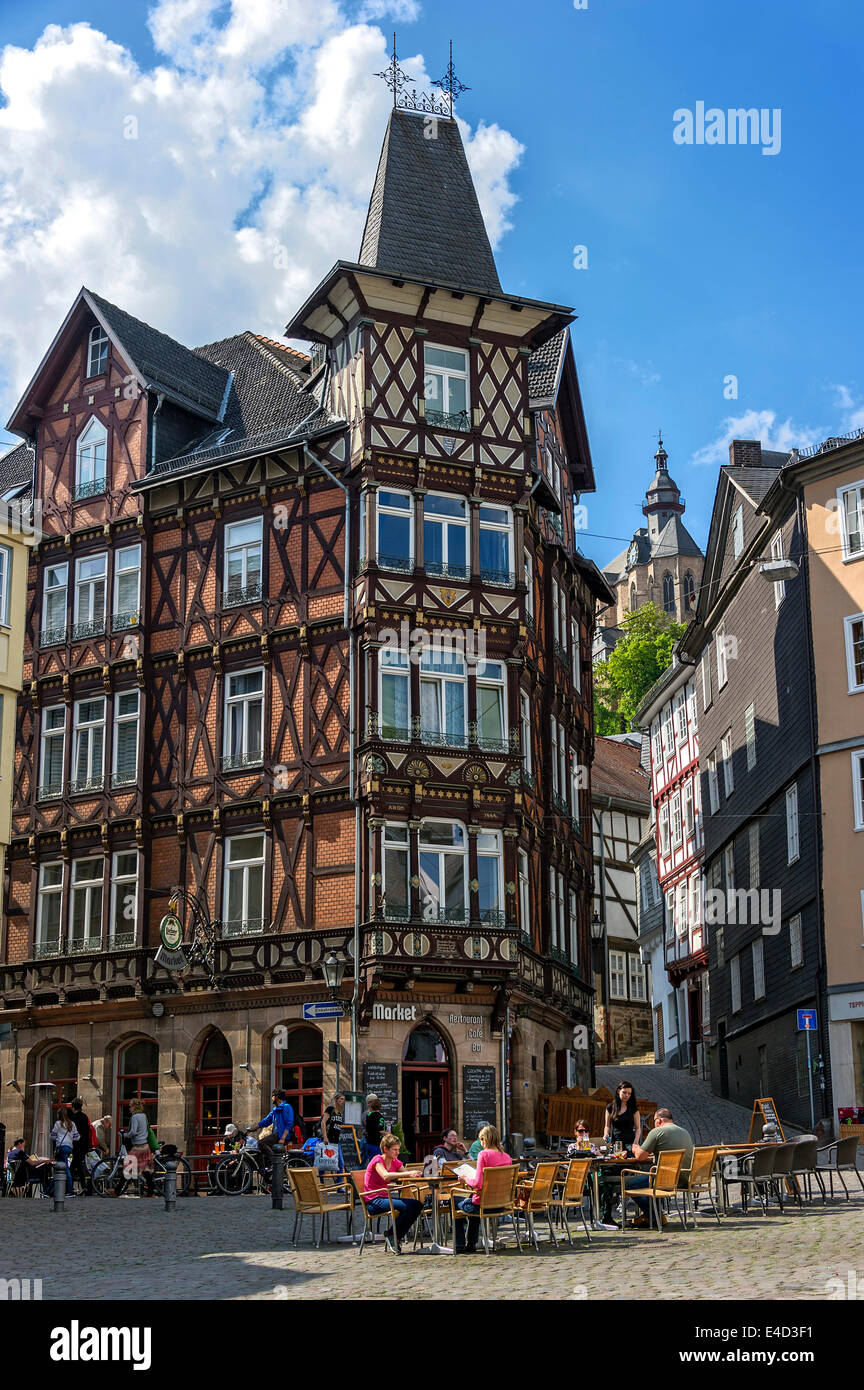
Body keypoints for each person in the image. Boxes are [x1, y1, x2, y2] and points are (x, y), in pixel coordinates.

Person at [627, 1108, 695, 1228]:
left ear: (658, 1120)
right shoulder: (685, 1131)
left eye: (653, 1121)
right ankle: (652, 1216)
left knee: (630, 1184)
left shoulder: (656, 1132)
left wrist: (635, 1148)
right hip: (685, 1179)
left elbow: (640, 1157)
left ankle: (653, 1216)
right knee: (652, 1178)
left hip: (666, 1180)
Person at [453, 1124, 512, 1254]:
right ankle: (471, 1244)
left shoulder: (483, 1155)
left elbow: (478, 1184)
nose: (481, 1143)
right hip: (501, 1205)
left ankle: (460, 1244)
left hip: (483, 1205)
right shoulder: (507, 1157)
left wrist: (464, 1179)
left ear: (485, 1139)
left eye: (481, 1139)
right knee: (472, 1199)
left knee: (455, 1201)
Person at [362, 1133, 422, 1251]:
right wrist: (408, 1173)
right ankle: (393, 1235)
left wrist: (419, 1174)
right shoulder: (377, 1160)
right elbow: (385, 1176)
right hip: (373, 1201)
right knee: (406, 1207)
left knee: (417, 1205)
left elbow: (406, 1175)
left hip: (385, 1197)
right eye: (395, 1150)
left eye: (398, 1149)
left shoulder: (395, 1161)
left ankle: (394, 1235)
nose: (397, 1153)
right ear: (385, 1149)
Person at [252, 1090, 295, 1169]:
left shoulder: (287, 1107)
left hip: (281, 1135)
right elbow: (266, 1121)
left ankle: (276, 1163)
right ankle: (270, 1168)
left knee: (261, 1143)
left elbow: (289, 1123)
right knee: (263, 1149)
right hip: (276, 1135)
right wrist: (253, 1128)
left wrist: (283, 1138)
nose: (272, 1098)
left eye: (272, 1096)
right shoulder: (275, 1110)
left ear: (277, 1096)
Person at [123, 1100, 155, 1197]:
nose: (129, 1108)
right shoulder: (143, 1116)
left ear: (134, 1107)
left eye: (130, 1106)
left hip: (137, 1146)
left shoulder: (135, 1117)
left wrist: (126, 1135)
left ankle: (117, 1190)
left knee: (128, 1168)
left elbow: (133, 1131)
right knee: (146, 1170)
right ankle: (151, 1191)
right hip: (145, 1145)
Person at [603, 1079, 642, 1151]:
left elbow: (638, 1128)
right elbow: (607, 1126)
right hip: (616, 1143)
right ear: (618, 1091)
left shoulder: (633, 1109)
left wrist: (636, 1142)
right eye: (624, 1092)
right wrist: (606, 1134)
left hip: (630, 1143)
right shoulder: (610, 1107)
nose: (626, 1095)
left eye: (629, 1093)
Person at [50, 1110, 79, 1195]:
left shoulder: (58, 1123)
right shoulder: (72, 1124)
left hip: (61, 1147)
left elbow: (52, 1136)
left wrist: (57, 1137)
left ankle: (70, 1190)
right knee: (59, 1170)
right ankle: (49, 1190)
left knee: (65, 1170)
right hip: (69, 1148)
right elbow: (77, 1137)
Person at [69, 1097, 93, 1193]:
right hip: (82, 1145)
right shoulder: (84, 1117)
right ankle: (84, 1186)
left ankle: (69, 1187)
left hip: (74, 1144)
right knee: (78, 1166)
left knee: (74, 1167)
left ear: (73, 1106)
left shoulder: (71, 1117)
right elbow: (87, 1133)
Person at [363, 1094, 385, 1162]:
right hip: (376, 1143)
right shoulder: (379, 1116)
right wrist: (388, 1134)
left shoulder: (368, 1115)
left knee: (368, 1161)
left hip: (368, 1142)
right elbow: (380, 1130)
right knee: (376, 1162)